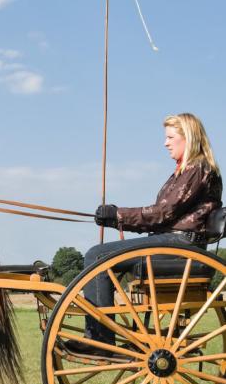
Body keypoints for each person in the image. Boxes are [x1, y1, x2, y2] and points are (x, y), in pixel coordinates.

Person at [66, 113, 223, 356]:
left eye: (171, 137)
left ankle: (100, 340)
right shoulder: (184, 171)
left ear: (188, 138)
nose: (166, 143)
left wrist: (118, 215)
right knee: (99, 256)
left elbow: (162, 213)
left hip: (181, 244)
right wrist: (115, 218)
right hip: (173, 240)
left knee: (97, 257)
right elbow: (162, 216)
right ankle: (99, 335)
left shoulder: (197, 169)